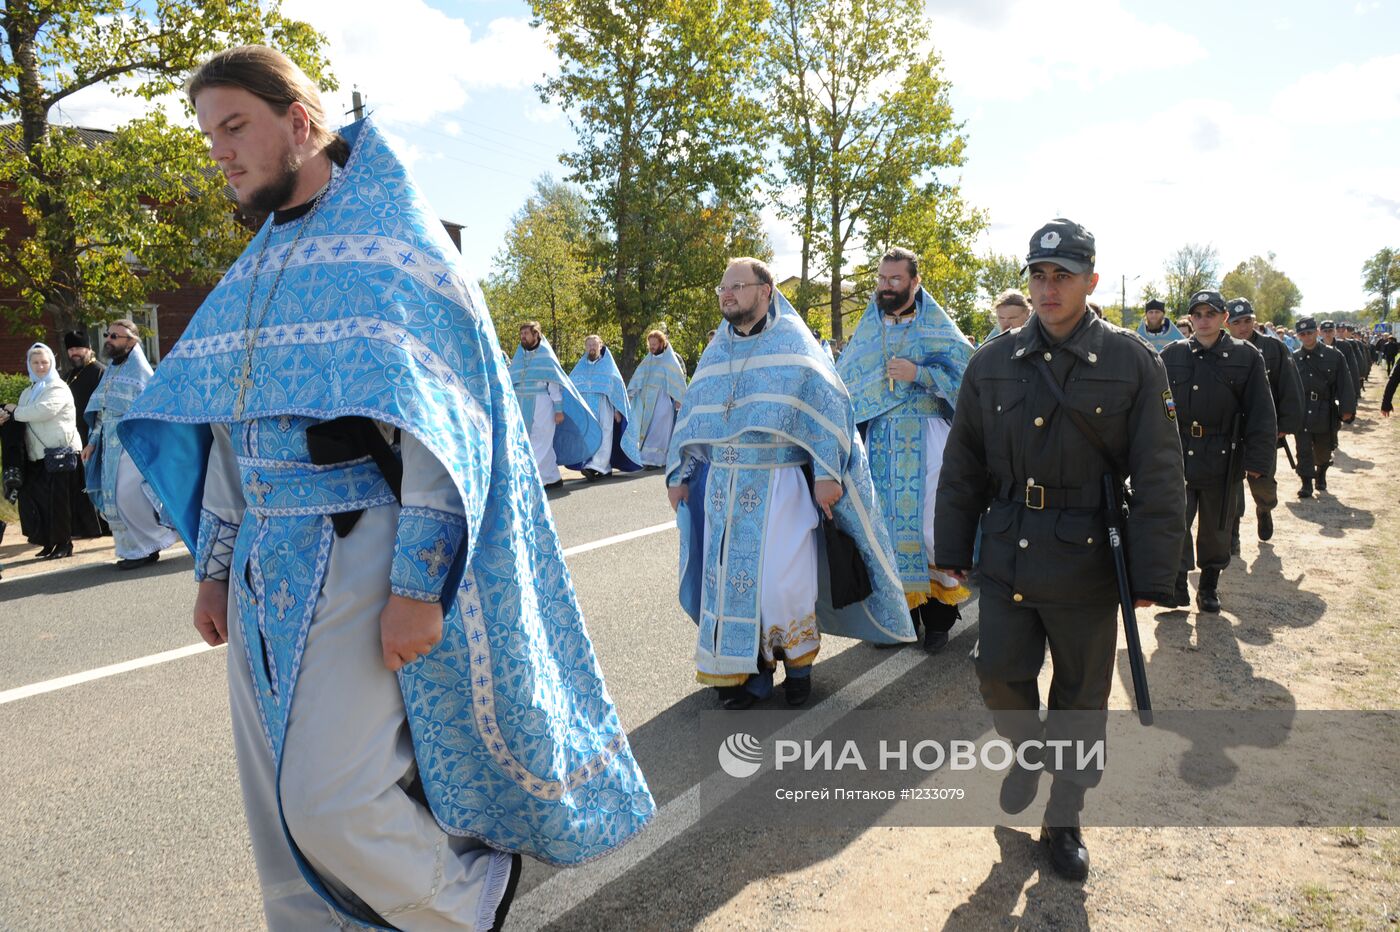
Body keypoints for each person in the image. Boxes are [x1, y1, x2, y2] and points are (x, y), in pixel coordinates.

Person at [118, 46, 652, 929]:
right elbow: (227, 430)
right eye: (209, 133)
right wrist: (213, 569)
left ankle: (469, 900)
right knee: (276, 813)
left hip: (355, 541)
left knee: (330, 800)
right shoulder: (257, 266)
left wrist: (417, 591)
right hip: (260, 563)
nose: (219, 150)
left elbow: (445, 434)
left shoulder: (396, 245)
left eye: (235, 126)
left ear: (299, 120)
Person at [934, 219, 1186, 882]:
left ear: (1091, 281)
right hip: (1009, 549)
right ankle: (1027, 751)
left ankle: (1064, 819)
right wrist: (951, 546)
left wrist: (1155, 570)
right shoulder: (992, 361)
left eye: (1063, 276)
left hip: (1088, 560)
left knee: (1080, 698)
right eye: (1039, 275)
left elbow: (1159, 471)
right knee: (997, 675)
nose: (1048, 289)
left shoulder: (1133, 360)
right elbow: (963, 462)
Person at [668, 257, 914, 710]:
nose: (727, 295)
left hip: (780, 484)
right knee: (730, 585)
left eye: (737, 286)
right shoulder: (717, 350)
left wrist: (825, 474)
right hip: (725, 486)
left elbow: (829, 409)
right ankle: (745, 675)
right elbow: (693, 419)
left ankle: (798, 670)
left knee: (784, 585)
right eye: (722, 288)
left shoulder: (795, 342)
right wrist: (679, 473)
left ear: (765, 290)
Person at [835, 247, 972, 652]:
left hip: (928, 438)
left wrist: (921, 374)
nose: (886, 287)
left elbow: (967, 379)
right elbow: (845, 384)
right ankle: (899, 619)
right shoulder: (867, 329)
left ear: (915, 282)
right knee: (886, 530)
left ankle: (939, 619)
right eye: (881, 279)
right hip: (880, 441)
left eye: (895, 280)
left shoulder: (936, 326)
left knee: (930, 529)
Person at [1160, 291, 1275, 612]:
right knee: (1175, 520)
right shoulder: (1172, 355)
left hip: (1224, 455)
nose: (1203, 320)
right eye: (1197, 314)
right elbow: (1156, 409)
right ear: (1190, 319)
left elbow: (1261, 413)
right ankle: (1177, 583)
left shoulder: (1247, 356)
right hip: (1180, 452)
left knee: (1217, 525)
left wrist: (1258, 462)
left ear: (1224, 317)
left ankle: (1209, 585)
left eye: (1211, 313)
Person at [81, 319, 180, 569]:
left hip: (133, 443)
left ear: (131, 342)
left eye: (116, 336)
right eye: (108, 335)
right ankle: (134, 550)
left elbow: (153, 414)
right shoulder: (111, 371)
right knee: (115, 496)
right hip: (110, 445)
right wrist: (92, 443)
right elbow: (102, 414)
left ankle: (154, 542)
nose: (109, 340)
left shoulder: (142, 372)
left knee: (129, 496)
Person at [1223, 298, 1303, 551]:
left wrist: (1284, 424)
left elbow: (1290, 386)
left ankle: (1264, 509)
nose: (1243, 327)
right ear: (1227, 323)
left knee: (1263, 482)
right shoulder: (1220, 348)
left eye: (1247, 320)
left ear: (1254, 321)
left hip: (1264, 430)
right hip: (1230, 432)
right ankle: (1232, 533)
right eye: (1236, 322)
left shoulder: (1273, 349)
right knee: (1231, 485)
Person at [1, 344, 83, 560]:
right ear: (29, 364)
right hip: (36, 454)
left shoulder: (57, 387)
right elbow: (21, 418)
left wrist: (14, 411)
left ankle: (64, 543)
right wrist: (7, 415)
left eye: (44, 362)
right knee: (38, 501)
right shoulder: (28, 392)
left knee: (59, 502)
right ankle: (47, 541)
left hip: (59, 453)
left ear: (51, 363)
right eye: (35, 362)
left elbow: (43, 411)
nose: (40, 366)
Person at [509, 321, 601, 489]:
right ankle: (552, 477)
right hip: (522, 404)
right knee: (530, 440)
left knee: (541, 440)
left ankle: (536, 479)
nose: (522, 337)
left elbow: (554, 385)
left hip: (542, 404)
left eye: (526, 333)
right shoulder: (519, 356)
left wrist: (558, 410)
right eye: (521, 334)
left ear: (536, 335)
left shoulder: (545, 355)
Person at [1293, 316, 1357, 496]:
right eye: (1302, 333)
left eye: (1310, 332)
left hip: (1325, 410)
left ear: (1317, 332)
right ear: (1298, 336)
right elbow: (1287, 388)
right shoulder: (1294, 358)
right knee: (1303, 448)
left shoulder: (1334, 355)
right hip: (1303, 410)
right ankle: (1306, 483)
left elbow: (1345, 383)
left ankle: (1320, 472)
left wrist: (1347, 409)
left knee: (1323, 449)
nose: (1307, 336)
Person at [567, 335, 638, 479]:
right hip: (586, 407)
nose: (592, 348)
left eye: (594, 345)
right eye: (589, 345)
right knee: (588, 434)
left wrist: (618, 410)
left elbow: (617, 388)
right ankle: (592, 464)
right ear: (585, 348)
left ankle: (599, 466)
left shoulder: (608, 366)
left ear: (601, 346)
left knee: (605, 434)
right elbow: (570, 388)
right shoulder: (580, 367)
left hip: (604, 405)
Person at [60, 331, 107, 539]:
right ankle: (86, 525)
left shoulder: (100, 372)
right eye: (71, 350)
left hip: (96, 434)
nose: (74, 353)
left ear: (89, 349)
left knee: (98, 480)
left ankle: (104, 525)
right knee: (81, 482)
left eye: (78, 348)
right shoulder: (68, 375)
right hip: (75, 436)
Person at [621, 329, 688, 469]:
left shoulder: (670, 360)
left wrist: (678, 399)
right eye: (650, 344)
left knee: (660, 430)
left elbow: (677, 379)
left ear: (662, 343)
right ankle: (648, 459)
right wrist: (631, 392)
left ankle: (657, 460)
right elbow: (639, 375)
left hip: (663, 400)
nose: (652, 347)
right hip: (648, 400)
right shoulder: (649, 359)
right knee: (648, 429)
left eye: (654, 344)